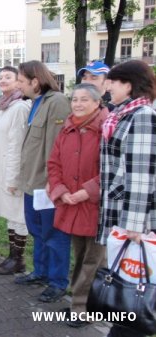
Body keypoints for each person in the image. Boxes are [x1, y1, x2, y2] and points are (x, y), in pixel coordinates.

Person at [97, 60, 156, 337]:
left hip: (134, 219)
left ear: (129, 85)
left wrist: (133, 225)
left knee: (135, 284)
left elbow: (141, 174)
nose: (108, 87)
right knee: (127, 283)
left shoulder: (141, 115)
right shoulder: (122, 114)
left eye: (114, 82)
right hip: (122, 210)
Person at [47, 83, 108, 327]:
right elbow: (54, 163)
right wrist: (61, 191)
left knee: (93, 259)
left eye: (84, 99)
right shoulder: (68, 127)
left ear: (97, 102)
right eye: (74, 99)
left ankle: (84, 308)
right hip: (71, 202)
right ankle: (80, 302)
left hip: (95, 205)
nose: (78, 104)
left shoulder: (107, 128)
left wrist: (86, 192)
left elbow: (112, 169)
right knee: (80, 255)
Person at [14, 60, 71, 303]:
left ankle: (57, 282)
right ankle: (40, 272)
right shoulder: (36, 102)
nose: (18, 86)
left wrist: (52, 182)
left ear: (35, 82)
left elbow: (56, 147)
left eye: (21, 81)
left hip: (46, 184)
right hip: (32, 182)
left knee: (53, 235)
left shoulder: (56, 102)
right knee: (38, 231)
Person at [0, 66, 31, 275]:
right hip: (2, 170)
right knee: (11, 216)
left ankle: (18, 259)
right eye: (0, 77)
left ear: (18, 82)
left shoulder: (20, 107)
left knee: (18, 216)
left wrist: (13, 178)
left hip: (13, 173)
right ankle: (12, 257)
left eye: (8, 77)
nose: (2, 80)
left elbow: (17, 145)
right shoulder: (5, 106)